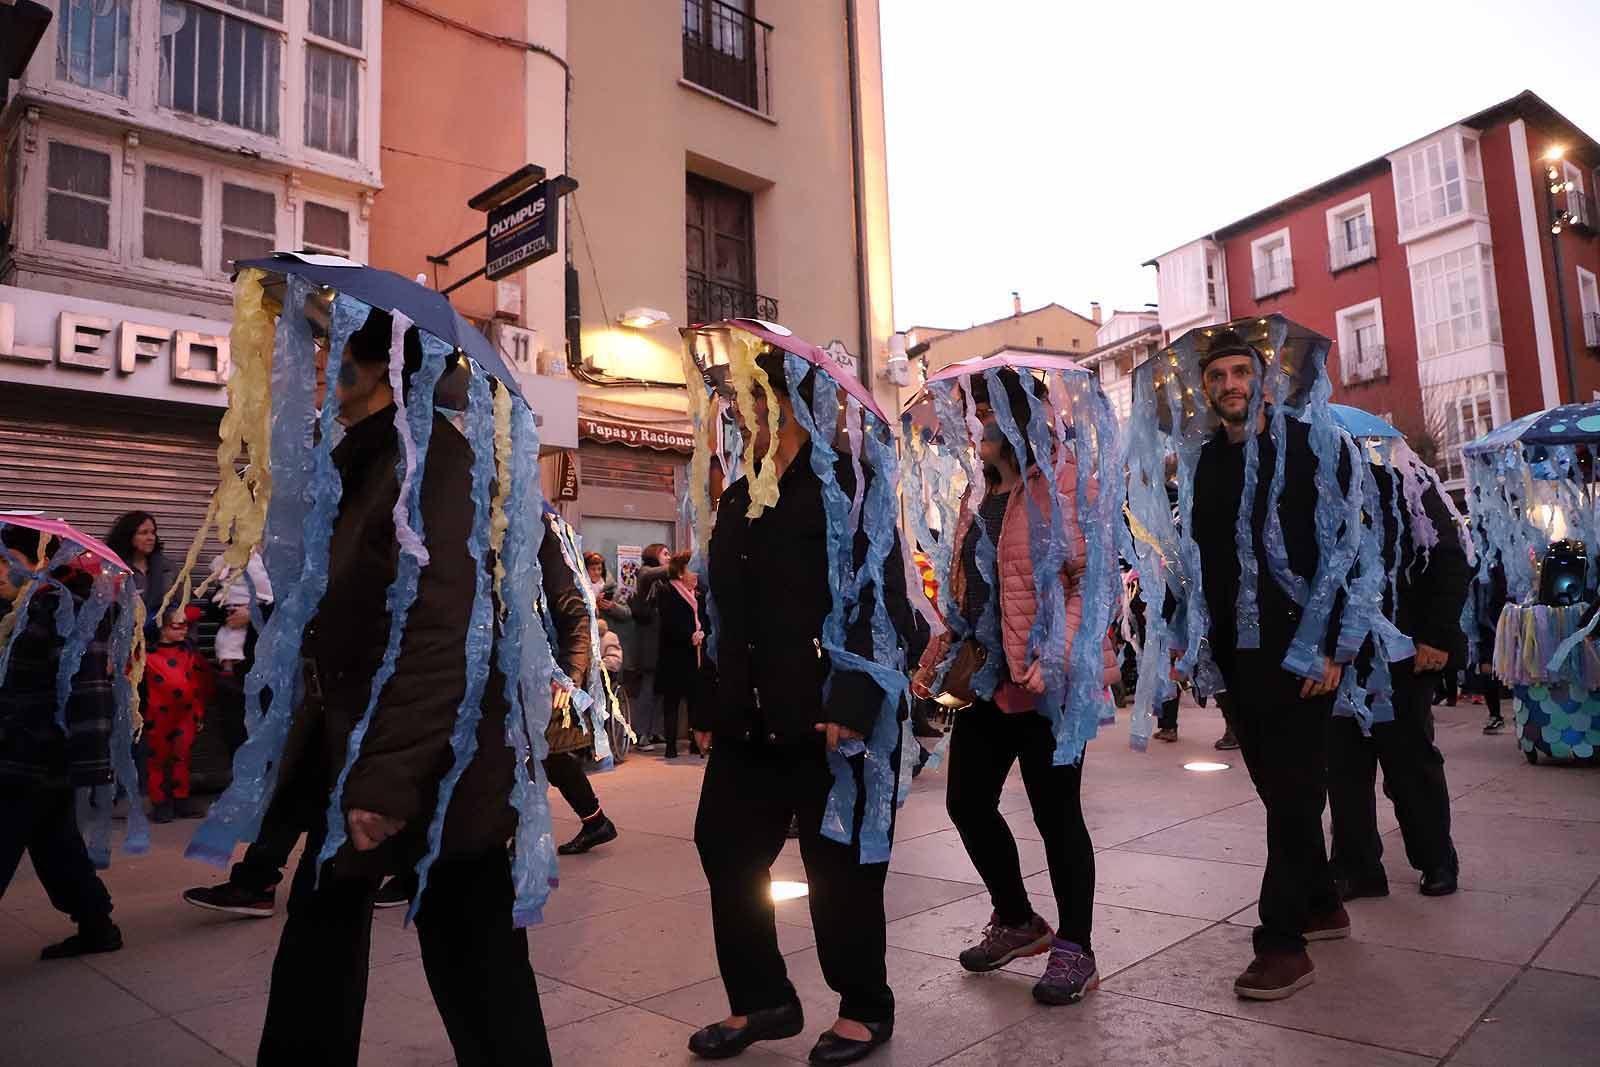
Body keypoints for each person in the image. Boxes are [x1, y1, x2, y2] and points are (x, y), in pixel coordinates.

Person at [251, 309, 552, 1066]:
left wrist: (384, 779)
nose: (318, 363)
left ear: (380, 367)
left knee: (479, 972)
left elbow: (440, 628)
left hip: (438, 767)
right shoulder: (353, 461)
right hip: (353, 751)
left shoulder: (431, 463)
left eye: (332, 347)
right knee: (317, 957)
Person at [689, 347, 913, 1065]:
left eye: (751, 396)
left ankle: (864, 1002)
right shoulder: (736, 494)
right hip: (747, 714)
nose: (738, 409)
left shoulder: (848, 482)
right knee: (724, 846)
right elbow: (723, 606)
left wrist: (853, 694)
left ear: (789, 403)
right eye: (735, 399)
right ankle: (764, 999)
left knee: (838, 867)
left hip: (826, 713)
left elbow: (886, 596)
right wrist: (711, 694)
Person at [913, 367, 1115, 1008]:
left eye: (988, 414)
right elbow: (968, 589)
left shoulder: (1064, 484)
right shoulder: (980, 495)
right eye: (976, 414)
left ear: (1018, 416)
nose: (977, 427)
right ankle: (1018, 919)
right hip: (990, 682)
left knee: (1058, 818)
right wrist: (939, 650)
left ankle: (1075, 948)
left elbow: (1089, 581)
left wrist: (1056, 657)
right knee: (967, 804)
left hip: (1048, 685)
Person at [1185, 328, 1352, 1001]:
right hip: (1236, 656)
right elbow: (1202, 556)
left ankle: (1282, 942)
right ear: (1205, 388)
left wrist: (1335, 642)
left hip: (1299, 648)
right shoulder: (1203, 462)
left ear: (1262, 377)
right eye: (1218, 375)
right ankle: (1321, 902)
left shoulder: (1307, 445)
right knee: (1278, 791)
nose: (1230, 384)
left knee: (1291, 793)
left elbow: (1346, 547)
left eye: (1240, 371)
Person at [1328, 449, 1469, 902]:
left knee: (1410, 762)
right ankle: (1356, 866)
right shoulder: (1318, 493)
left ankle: (1436, 858)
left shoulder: (1408, 484)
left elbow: (1450, 559)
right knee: (1345, 767)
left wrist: (1437, 636)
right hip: (1342, 657)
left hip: (1404, 653)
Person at [0, 526, 122, 959]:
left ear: (37, 559)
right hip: (33, 752)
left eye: (5, 558)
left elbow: (86, 687)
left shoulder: (63, 608)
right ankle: (97, 925)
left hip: (32, 750)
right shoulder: (23, 608)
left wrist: (84, 760)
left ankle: (97, 924)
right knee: (57, 846)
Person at [143, 604, 213, 823]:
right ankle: (160, 803)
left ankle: (181, 799)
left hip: (186, 716)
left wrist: (199, 714)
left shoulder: (188, 653)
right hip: (158, 716)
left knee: (182, 757)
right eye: (177, 626)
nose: (184, 630)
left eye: (185, 626)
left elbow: (197, 684)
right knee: (157, 760)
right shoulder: (146, 655)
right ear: (162, 629)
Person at [658, 551, 708, 760]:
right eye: (691, 569)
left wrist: (703, 631)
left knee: (695, 699)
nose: (695, 574)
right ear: (680, 572)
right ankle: (670, 744)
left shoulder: (700, 594)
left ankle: (696, 742)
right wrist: (689, 635)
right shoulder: (668, 592)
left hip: (695, 654)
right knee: (672, 701)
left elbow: (707, 619)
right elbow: (668, 624)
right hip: (674, 655)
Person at [626, 543, 672, 751]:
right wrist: (680, 566)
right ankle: (640, 733)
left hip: (663, 643)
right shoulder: (645, 573)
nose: (669, 557)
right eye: (665, 553)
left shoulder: (664, 581)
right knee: (647, 689)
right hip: (648, 644)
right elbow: (650, 575)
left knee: (660, 690)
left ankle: (655, 731)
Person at [105, 511, 180, 621]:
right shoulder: (112, 568)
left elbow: (184, 606)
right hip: (123, 634)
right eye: (144, 533)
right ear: (129, 536)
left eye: (153, 532)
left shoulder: (168, 569)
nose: (151, 538)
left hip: (161, 636)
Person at [1475, 562, 1509, 733]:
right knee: (1486, 668)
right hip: (1483, 625)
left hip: (1504, 621)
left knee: (1513, 668)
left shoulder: (1502, 558)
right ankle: (1495, 715)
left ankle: (1522, 710)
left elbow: (1506, 590)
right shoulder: (1473, 560)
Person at [584, 551, 632, 630]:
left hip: (606, 634)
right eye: (593, 569)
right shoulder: (578, 588)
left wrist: (612, 607)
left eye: (599, 569)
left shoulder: (610, 587)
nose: (597, 572)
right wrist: (594, 602)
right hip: (585, 634)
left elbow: (627, 613)